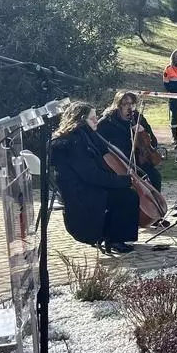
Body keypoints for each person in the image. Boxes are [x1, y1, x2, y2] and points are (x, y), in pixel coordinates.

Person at [50, 101, 140, 254]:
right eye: (92, 118)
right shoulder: (76, 141)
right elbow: (91, 175)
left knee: (125, 193)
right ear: (81, 119)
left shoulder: (83, 135)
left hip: (83, 186)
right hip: (82, 192)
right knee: (127, 196)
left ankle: (110, 236)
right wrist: (121, 181)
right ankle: (115, 239)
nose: (96, 120)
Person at [96, 91, 162, 192]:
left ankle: (156, 206)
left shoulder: (138, 118)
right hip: (120, 163)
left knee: (155, 177)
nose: (129, 107)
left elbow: (153, 141)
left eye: (132, 104)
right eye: (125, 104)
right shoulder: (107, 121)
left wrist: (143, 132)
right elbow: (96, 140)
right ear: (118, 105)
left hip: (140, 161)